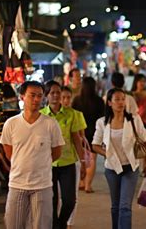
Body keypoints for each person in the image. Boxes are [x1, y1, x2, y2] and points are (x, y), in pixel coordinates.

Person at [0, 81, 65, 229]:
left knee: (41, 225)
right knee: (13, 224)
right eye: (32, 95)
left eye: (40, 96)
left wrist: (40, 163)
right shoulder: (11, 124)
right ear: (22, 97)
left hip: (42, 185)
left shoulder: (50, 124)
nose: (36, 99)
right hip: (17, 183)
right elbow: (10, 153)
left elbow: (56, 153)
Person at [92, 88, 146, 229]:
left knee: (125, 206)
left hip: (131, 168)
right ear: (109, 103)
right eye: (117, 99)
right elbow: (95, 144)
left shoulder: (134, 120)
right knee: (115, 205)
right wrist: (108, 154)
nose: (121, 102)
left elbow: (145, 140)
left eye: (123, 99)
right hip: (112, 169)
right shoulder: (102, 122)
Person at [40, 81, 87, 229]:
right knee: (51, 201)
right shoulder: (41, 116)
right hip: (48, 165)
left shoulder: (71, 114)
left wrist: (83, 161)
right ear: (46, 96)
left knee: (70, 200)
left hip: (68, 163)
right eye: (52, 93)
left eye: (58, 92)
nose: (55, 95)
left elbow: (77, 140)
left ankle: (60, 225)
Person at [72, 77, 106, 193]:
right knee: (92, 159)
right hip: (95, 133)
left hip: (80, 133)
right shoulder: (99, 101)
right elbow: (103, 118)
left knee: (81, 158)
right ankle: (88, 185)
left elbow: (73, 116)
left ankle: (81, 183)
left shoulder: (77, 100)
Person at [61, 86, 86, 229]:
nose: (65, 100)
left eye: (67, 98)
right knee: (56, 196)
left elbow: (80, 139)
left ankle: (69, 223)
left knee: (72, 196)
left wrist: (82, 160)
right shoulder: (47, 115)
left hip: (73, 159)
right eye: (63, 97)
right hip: (53, 162)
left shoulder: (76, 115)